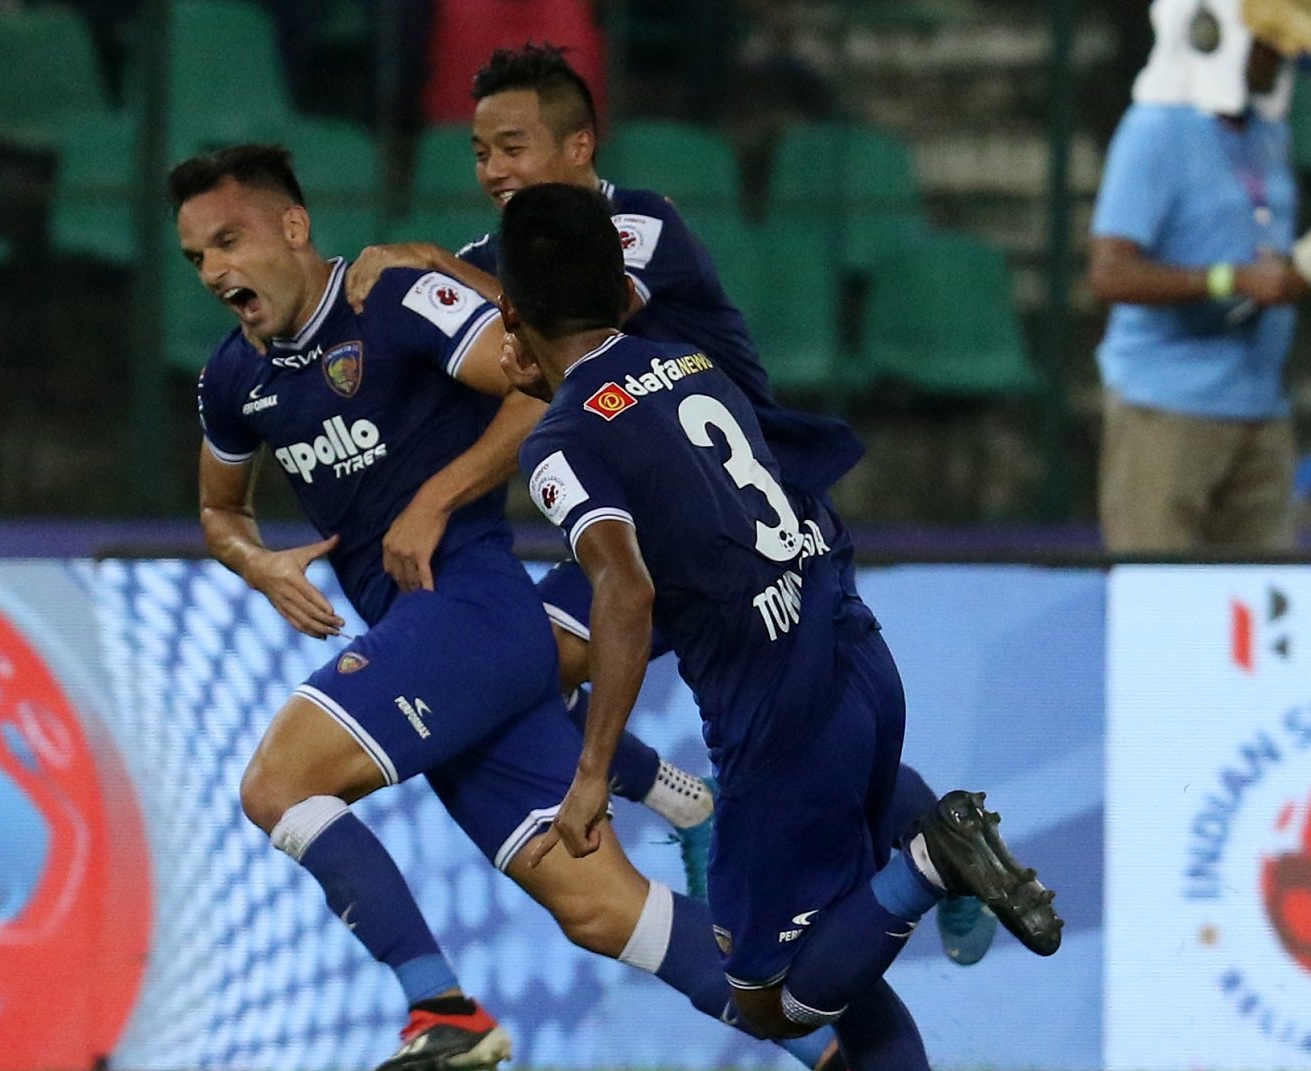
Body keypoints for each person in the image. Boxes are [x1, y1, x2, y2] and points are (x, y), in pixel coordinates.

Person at [174, 143, 894, 1071]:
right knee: (605, 914)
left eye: (227, 240)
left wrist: (438, 493)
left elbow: (531, 381)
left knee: (278, 783)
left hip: (470, 610)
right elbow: (217, 508)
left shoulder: (393, 303)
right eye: (196, 256)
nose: (211, 271)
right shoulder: (234, 379)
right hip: (444, 649)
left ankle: (443, 1006)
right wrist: (260, 564)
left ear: (293, 227)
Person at [345, 42, 999, 967]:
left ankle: (922, 838)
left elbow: (561, 338)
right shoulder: (507, 262)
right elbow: (522, 372)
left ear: (580, 147)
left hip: (747, 523)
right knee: (514, 666)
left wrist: (422, 275)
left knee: (795, 743)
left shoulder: (635, 227)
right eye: (482, 152)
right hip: (641, 536)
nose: (494, 169)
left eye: (515, 146)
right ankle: (709, 806)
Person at [497, 181, 1063, 1071]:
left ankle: (939, 854)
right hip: (851, 648)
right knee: (842, 944)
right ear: (625, 292)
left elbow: (623, 590)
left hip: (776, 717)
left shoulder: (562, 445)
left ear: (512, 325)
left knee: (774, 996)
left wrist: (592, 778)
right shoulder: (690, 357)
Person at [1089, 0, 1311, 554]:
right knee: (1159, 603)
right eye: (1266, 38)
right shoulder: (1155, 132)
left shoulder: (1266, 135)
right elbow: (1110, 274)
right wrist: (1228, 281)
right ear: (1213, 34)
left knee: (1263, 609)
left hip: (1262, 409)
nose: (1280, 52)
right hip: (1168, 410)